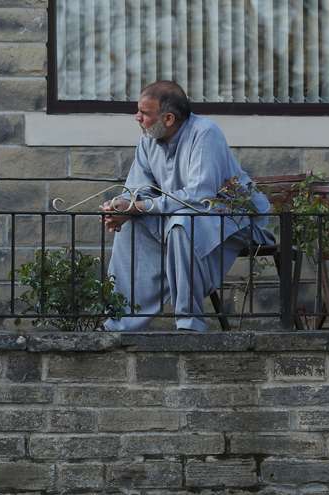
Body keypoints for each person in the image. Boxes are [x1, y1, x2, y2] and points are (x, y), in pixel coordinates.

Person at [102, 80, 273, 332]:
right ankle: (118, 323)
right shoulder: (149, 138)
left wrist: (138, 207)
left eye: (145, 113)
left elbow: (199, 196)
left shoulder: (205, 133)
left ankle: (189, 323)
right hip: (181, 215)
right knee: (132, 228)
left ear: (168, 118)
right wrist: (122, 208)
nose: (137, 117)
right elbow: (139, 190)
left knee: (182, 223)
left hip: (232, 218)